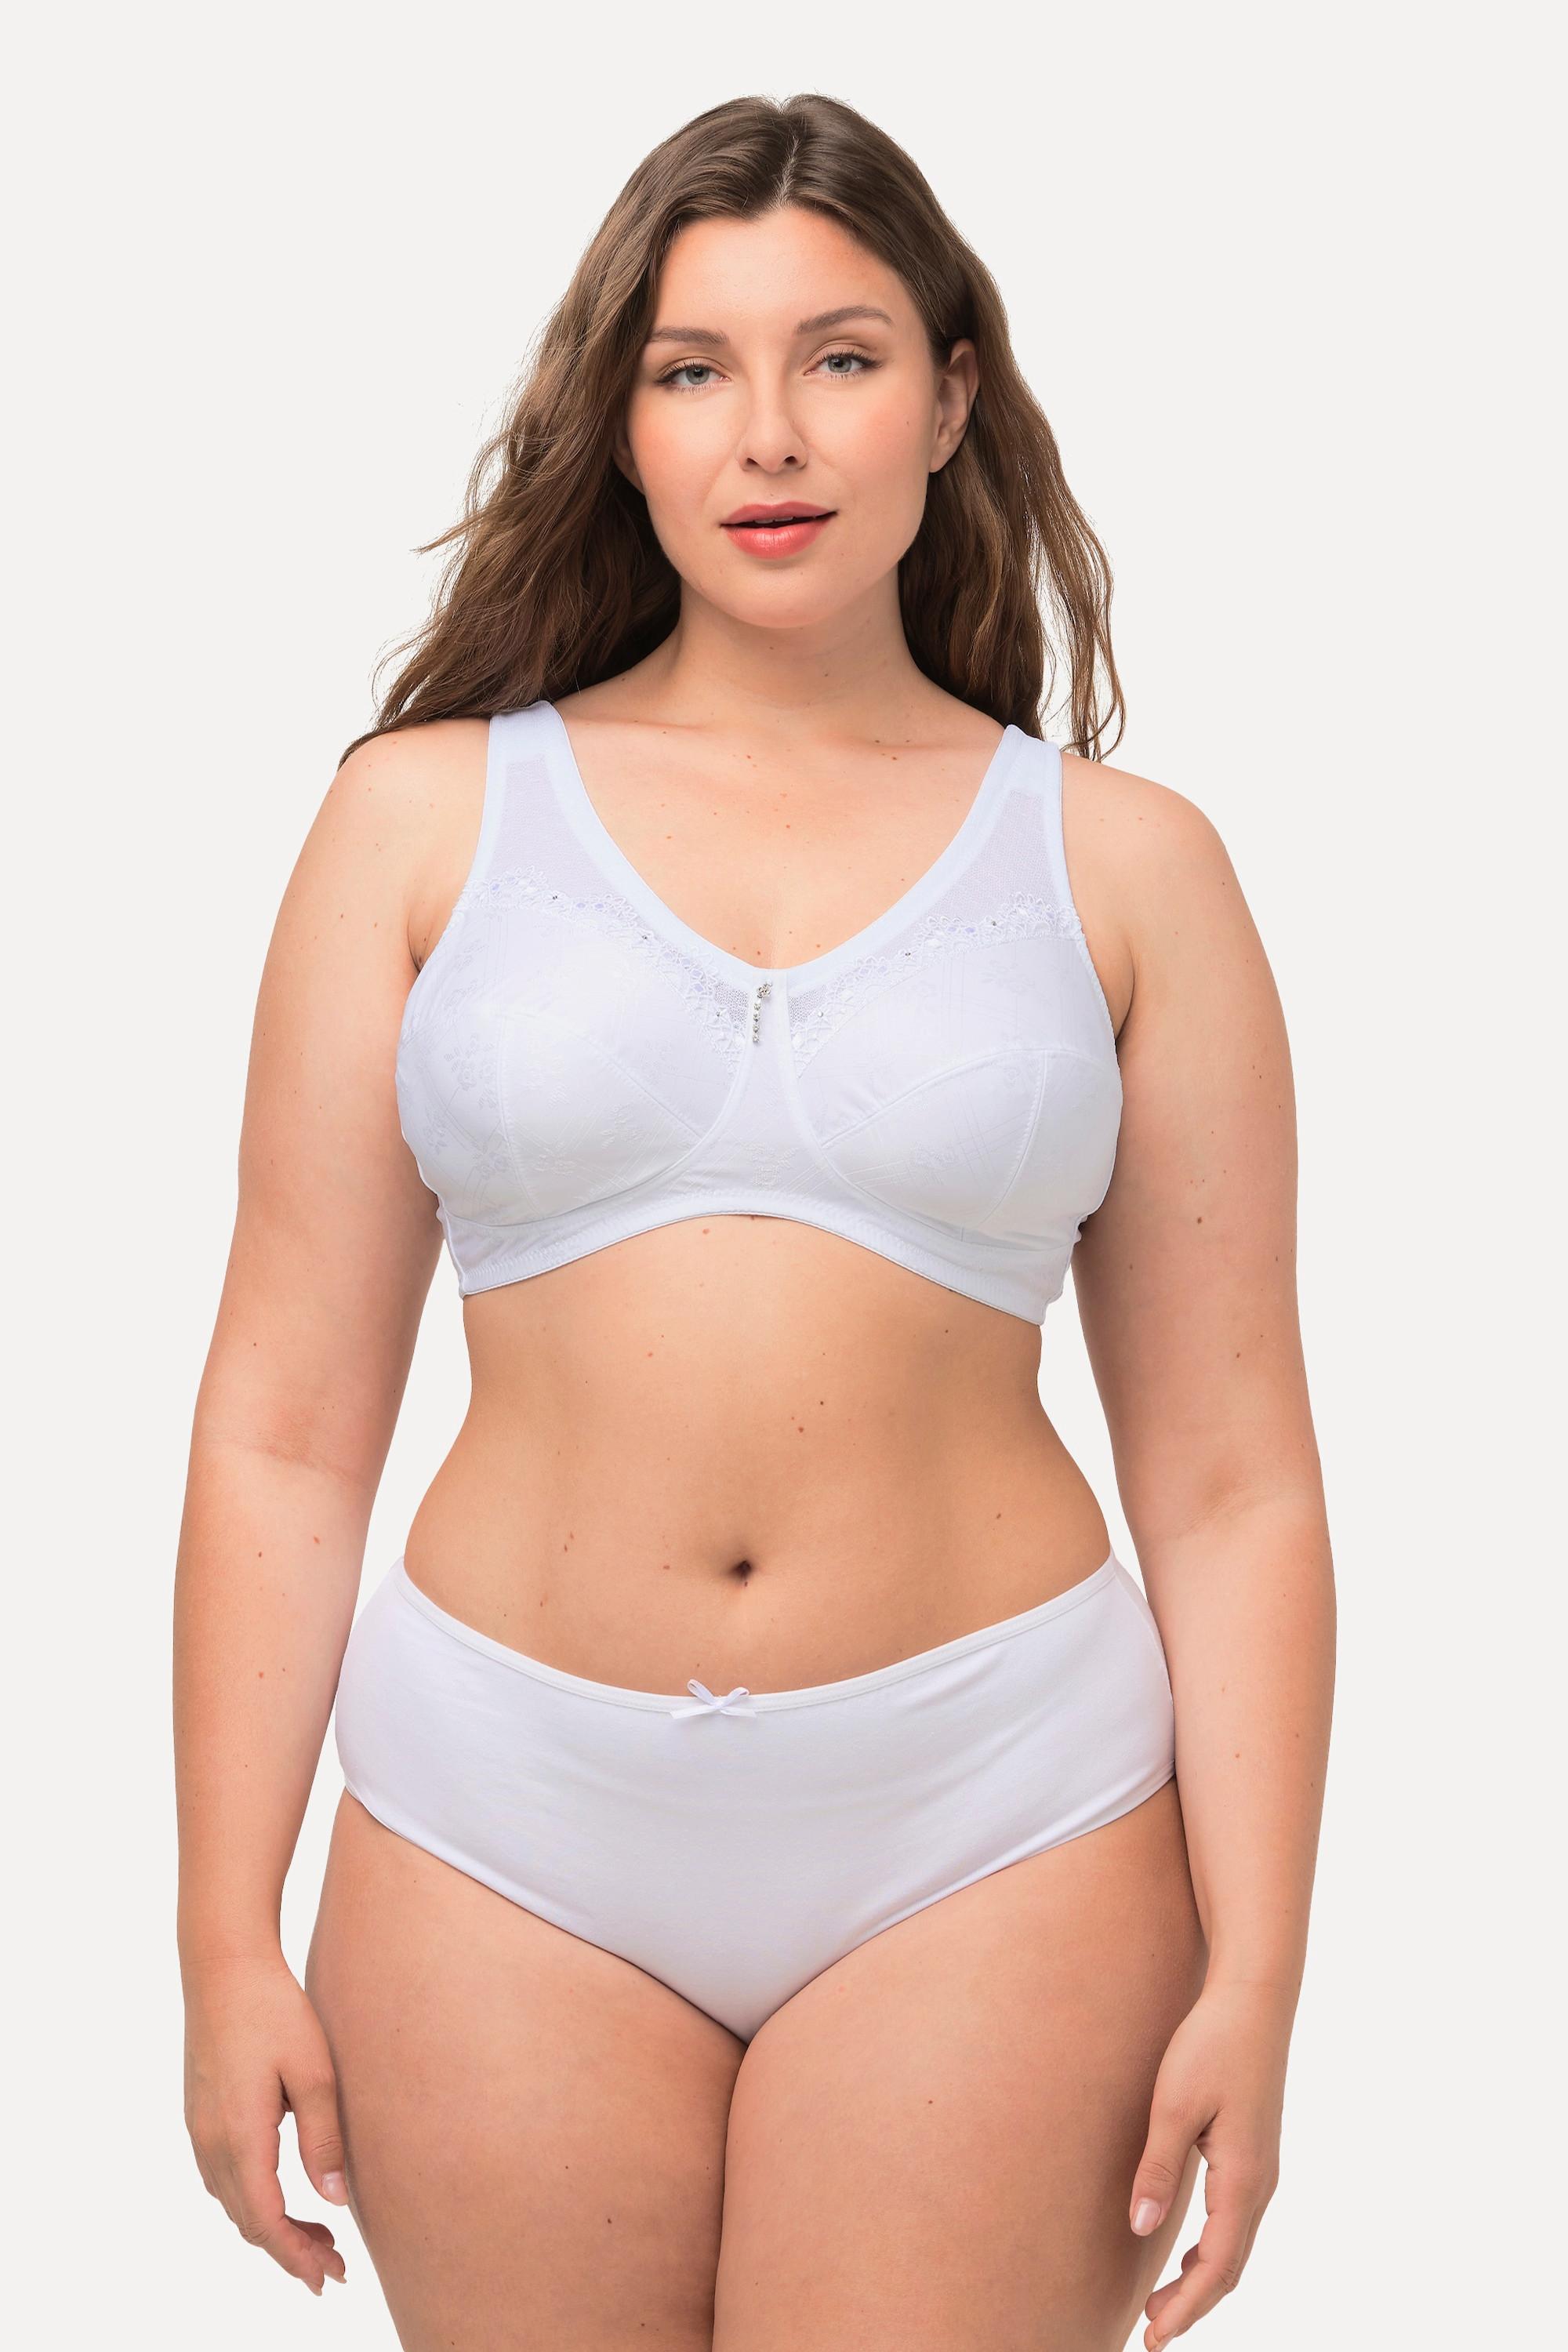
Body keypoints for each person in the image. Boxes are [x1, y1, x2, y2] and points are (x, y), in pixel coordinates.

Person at [174, 90, 1335, 2352]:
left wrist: (1267, 1970)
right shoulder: (416, 822)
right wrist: (223, 1935)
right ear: (622, 423)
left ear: (952, 399)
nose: (770, 433)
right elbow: (284, 1425)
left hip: (999, 1819)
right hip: (500, 1821)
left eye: (843, 357)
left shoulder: (1131, 867)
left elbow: (1232, 1479)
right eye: (694, 368)